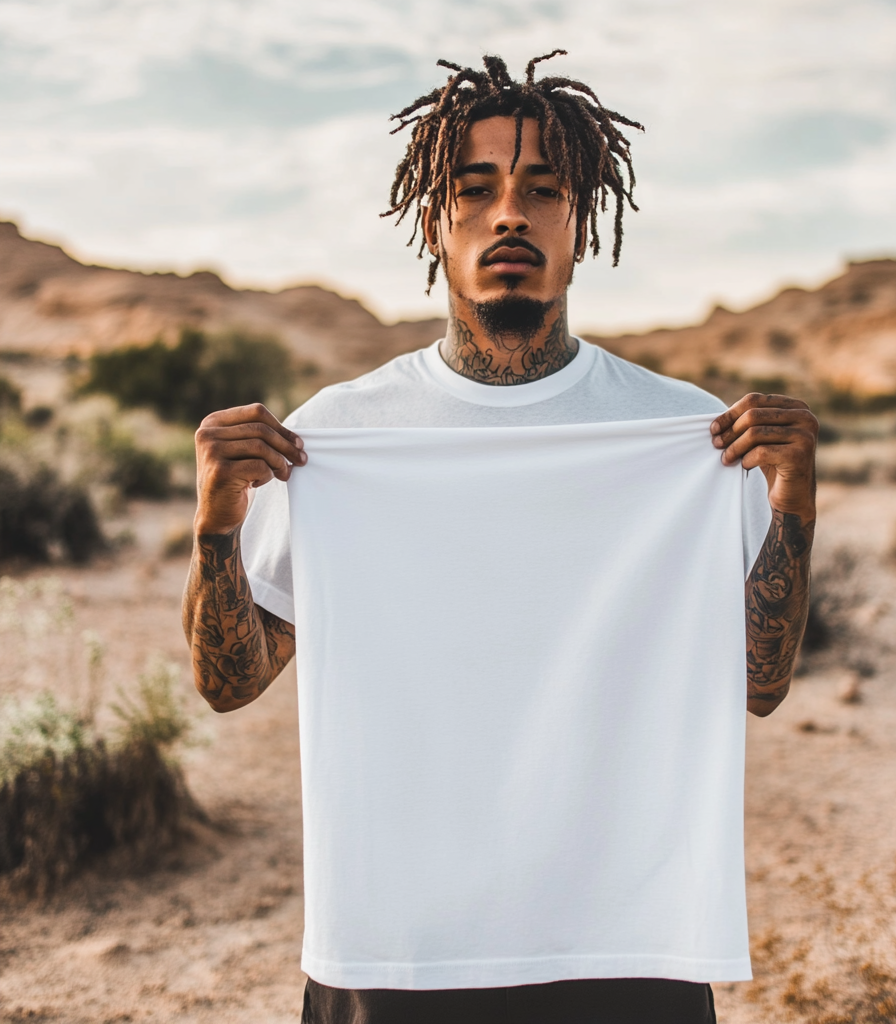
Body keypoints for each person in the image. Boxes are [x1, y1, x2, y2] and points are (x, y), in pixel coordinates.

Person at [182, 52, 817, 1024]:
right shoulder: (338, 438)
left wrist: (793, 512)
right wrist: (217, 530)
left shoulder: (690, 436)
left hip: (625, 935)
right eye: (474, 190)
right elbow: (229, 682)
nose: (508, 214)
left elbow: (759, 685)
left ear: (582, 221)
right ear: (435, 223)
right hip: (394, 944)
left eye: (542, 190)